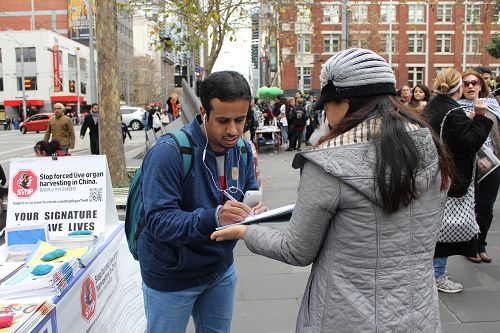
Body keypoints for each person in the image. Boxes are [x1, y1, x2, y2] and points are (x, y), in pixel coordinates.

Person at [211, 48, 453, 332]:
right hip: (418, 314)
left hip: (347, 316)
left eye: (327, 105)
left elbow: (296, 250)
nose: (325, 113)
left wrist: (246, 231)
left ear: (346, 102)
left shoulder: (329, 163)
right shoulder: (430, 146)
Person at [138, 70, 266, 332]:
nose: (233, 130)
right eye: (222, 120)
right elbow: (159, 222)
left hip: (220, 270)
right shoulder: (169, 152)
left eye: (240, 120)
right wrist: (214, 217)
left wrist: (255, 211)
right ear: (203, 111)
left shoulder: (241, 149)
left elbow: (250, 190)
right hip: (172, 276)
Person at [424, 68, 493, 292]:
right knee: (444, 228)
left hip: (431, 174)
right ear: (457, 87)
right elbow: (468, 144)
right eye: (465, 83)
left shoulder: (433, 106)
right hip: (449, 177)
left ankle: (431, 273)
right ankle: (437, 275)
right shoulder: (452, 112)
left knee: (432, 226)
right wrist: (480, 118)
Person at [458, 69, 500, 264]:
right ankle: (470, 246)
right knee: (470, 206)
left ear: (481, 85)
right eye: (466, 83)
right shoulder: (456, 108)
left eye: (474, 83)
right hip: (468, 162)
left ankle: (481, 244)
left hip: (492, 163)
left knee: (487, 207)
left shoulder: (493, 105)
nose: (471, 86)